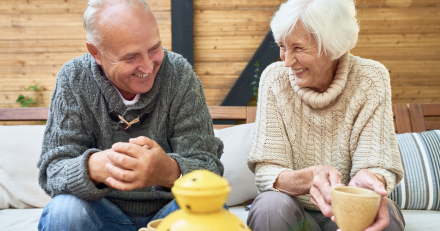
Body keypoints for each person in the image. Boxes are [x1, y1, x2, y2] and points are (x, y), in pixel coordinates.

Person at [37, 0, 224, 230]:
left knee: (208, 210)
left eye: (154, 48)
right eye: (130, 57)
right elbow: (52, 173)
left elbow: (211, 171)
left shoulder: (179, 74)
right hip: (100, 213)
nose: (147, 66)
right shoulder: (73, 78)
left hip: (171, 215)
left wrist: (167, 171)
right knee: (64, 212)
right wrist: (93, 167)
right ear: (96, 52)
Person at [247, 0, 405, 230]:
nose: (287, 61)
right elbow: (267, 172)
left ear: (333, 46)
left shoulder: (371, 78)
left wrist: (371, 180)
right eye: (282, 46)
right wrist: (309, 178)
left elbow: (377, 163)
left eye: (298, 48)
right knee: (270, 206)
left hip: (348, 205)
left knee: (386, 217)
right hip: (293, 209)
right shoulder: (274, 79)